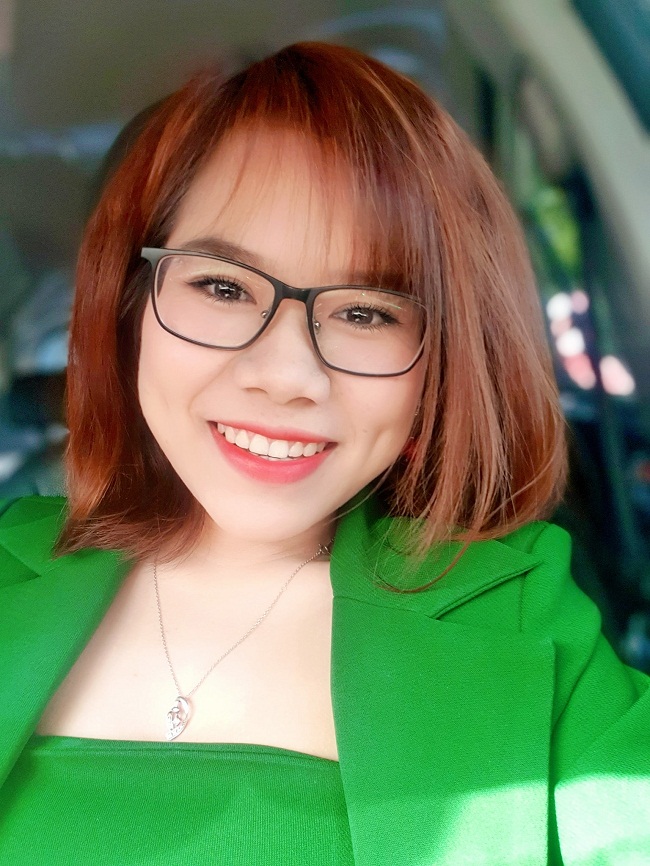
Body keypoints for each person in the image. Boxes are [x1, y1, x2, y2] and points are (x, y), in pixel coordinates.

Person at [0, 42, 648, 866]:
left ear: (442, 364)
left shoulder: (520, 619)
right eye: (223, 287)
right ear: (128, 308)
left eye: (366, 313)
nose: (287, 377)